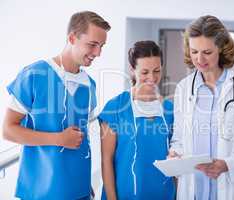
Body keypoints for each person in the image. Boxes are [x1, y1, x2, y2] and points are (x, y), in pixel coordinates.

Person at [2, 11, 110, 200]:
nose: (98, 53)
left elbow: (82, 139)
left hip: (80, 191)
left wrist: (83, 181)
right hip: (41, 192)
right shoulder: (34, 75)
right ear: (72, 38)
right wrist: (58, 139)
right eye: (93, 45)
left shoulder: (89, 85)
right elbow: (8, 130)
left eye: (101, 46)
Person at [168, 15, 234, 200]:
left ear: (222, 48)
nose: (199, 59)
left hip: (231, 190)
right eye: (194, 51)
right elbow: (179, 138)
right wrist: (176, 155)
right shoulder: (184, 88)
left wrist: (228, 164)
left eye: (207, 52)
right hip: (194, 190)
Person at [99, 40, 175, 200]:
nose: (152, 78)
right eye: (145, 72)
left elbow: (175, 159)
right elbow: (106, 160)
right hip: (125, 194)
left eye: (157, 71)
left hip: (164, 194)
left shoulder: (170, 110)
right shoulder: (115, 108)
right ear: (132, 70)